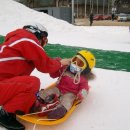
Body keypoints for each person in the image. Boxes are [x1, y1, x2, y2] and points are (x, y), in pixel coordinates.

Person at [0, 23, 70, 130]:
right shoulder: (28, 39)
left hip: (3, 84)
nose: (42, 45)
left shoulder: (16, 40)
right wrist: (61, 63)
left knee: (25, 83)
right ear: (38, 34)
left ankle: (15, 106)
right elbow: (45, 66)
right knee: (32, 83)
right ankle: (6, 114)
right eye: (44, 41)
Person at [31, 50, 96, 119]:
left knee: (67, 100)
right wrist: (58, 64)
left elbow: (84, 88)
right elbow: (54, 74)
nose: (75, 63)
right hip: (58, 88)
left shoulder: (83, 79)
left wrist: (82, 93)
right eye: (74, 60)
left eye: (80, 63)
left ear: (86, 69)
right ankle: (38, 100)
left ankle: (60, 110)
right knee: (50, 91)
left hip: (70, 93)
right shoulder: (65, 69)